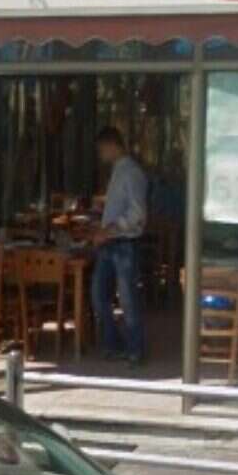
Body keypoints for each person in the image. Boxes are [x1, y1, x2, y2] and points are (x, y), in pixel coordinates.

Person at [90, 126, 147, 365]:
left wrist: (110, 229)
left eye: (102, 149)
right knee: (99, 295)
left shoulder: (132, 173)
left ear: (112, 145)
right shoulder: (117, 171)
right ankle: (113, 344)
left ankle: (135, 350)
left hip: (124, 243)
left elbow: (137, 214)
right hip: (110, 242)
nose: (100, 154)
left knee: (127, 299)